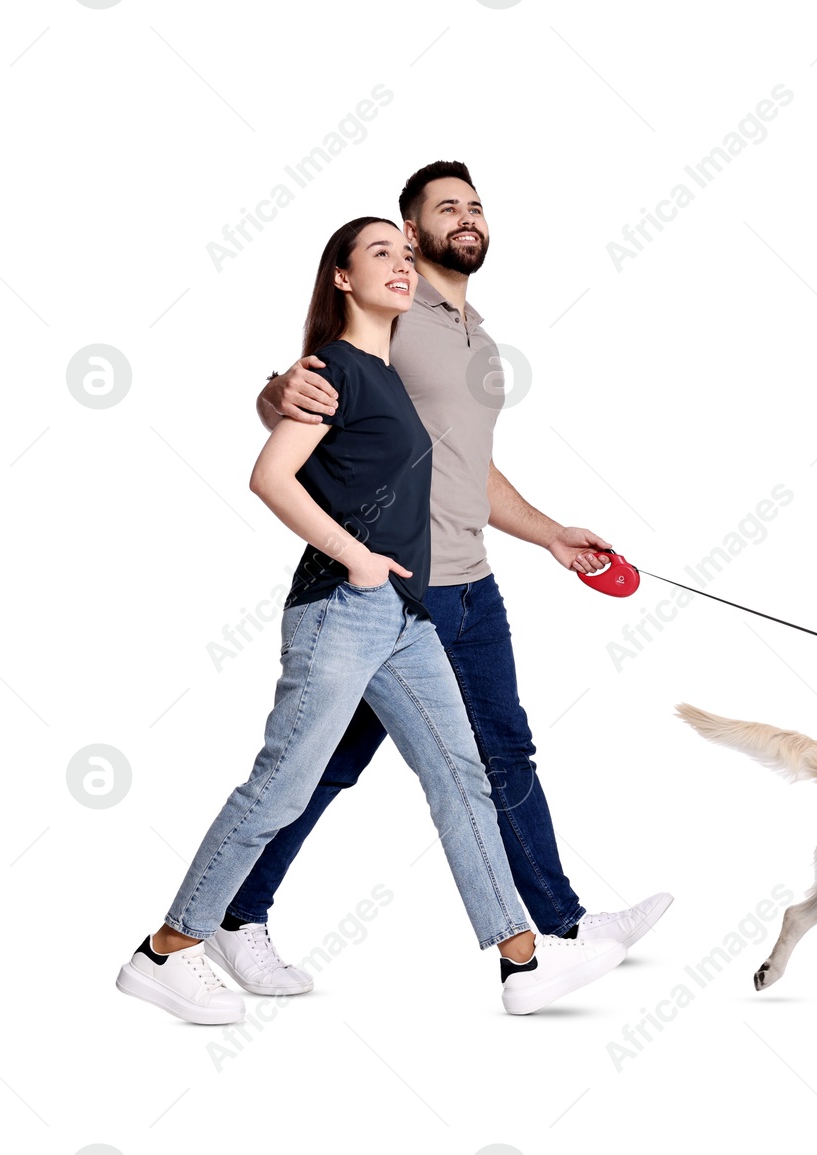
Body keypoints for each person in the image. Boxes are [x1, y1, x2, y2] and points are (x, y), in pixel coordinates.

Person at [116, 217, 625, 1023]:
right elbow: (270, 474)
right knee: (282, 784)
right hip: (340, 611)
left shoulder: (387, 374)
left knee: (462, 776)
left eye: (406, 252)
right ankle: (166, 951)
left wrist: (547, 534)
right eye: (380, 251)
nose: (402, 262)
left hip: (403, 615)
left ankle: (520, 961)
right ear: (342, 278)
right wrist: (352, 553)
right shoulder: (331, 372)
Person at [204, 162, 670, 998]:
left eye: (476, 205)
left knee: (498, 752)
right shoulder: (394, 315)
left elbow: (469, 469)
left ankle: (558, 927)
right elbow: (303, 397)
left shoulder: (477, 336)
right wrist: (277, 387)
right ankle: (234, 920)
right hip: (396, 589)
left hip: (471, 584)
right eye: (444, 207)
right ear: (410, 236)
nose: (467, 216)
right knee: (324, 768)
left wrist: (551, 534)